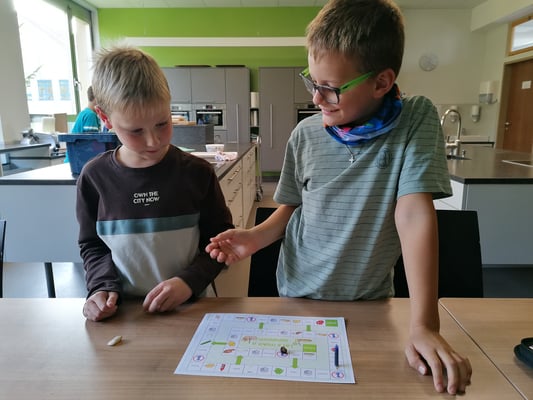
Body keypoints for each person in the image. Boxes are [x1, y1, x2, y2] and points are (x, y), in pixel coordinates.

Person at [206, 0, 471, 395]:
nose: (316, 99)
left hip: (367, 300)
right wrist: (254, 237)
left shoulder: (415, 119)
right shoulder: (305, 135)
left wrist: (424, 325)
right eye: (312, 83)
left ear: (381, 82)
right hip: (297, 295)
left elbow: (413, 214)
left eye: (329, 89)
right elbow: (292, 208)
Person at [77, 46, 233, 322]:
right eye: (136, 130)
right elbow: (93, 246)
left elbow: (220, 243)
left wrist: (188, 282)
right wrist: (100, 287)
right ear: (105, 118)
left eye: (162, 123)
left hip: (192, 307)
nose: (153, 141)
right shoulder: (94, 178)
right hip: (124, 314)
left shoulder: (197, 173)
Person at [65, 86, 101, 163]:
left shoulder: (84, 113)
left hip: (73, 160)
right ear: (97, 98)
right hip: (77, 162)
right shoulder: (90, 115)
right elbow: (91, 144)